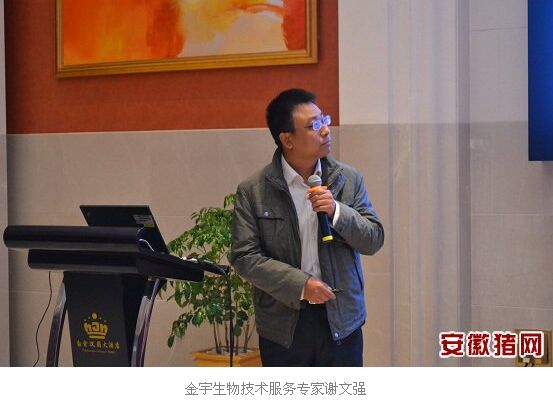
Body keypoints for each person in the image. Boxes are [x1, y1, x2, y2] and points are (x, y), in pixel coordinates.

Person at [230, 88, 384, 366]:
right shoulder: (254, 191)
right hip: (284, 325)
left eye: (324, 119)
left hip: (342, 320)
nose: (325, 130)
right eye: (314, 125)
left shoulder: (348, 179)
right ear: (287, 139)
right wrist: (301, 285)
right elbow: (245, 257)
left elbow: (373, 239)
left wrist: (337, 211)